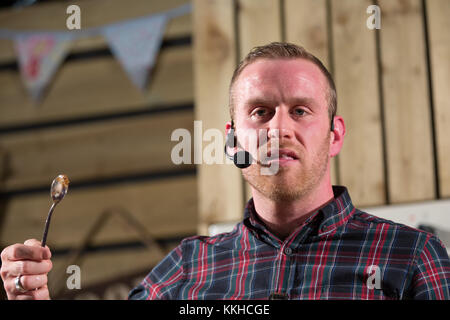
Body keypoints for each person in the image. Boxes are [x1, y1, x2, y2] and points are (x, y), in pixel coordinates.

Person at [1, 42, 449, 300]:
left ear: (334, 135)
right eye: (260, 112)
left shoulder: (414, 257)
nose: (279, 128)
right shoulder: (183, 271)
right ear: (233, 141)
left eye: (300, 110)